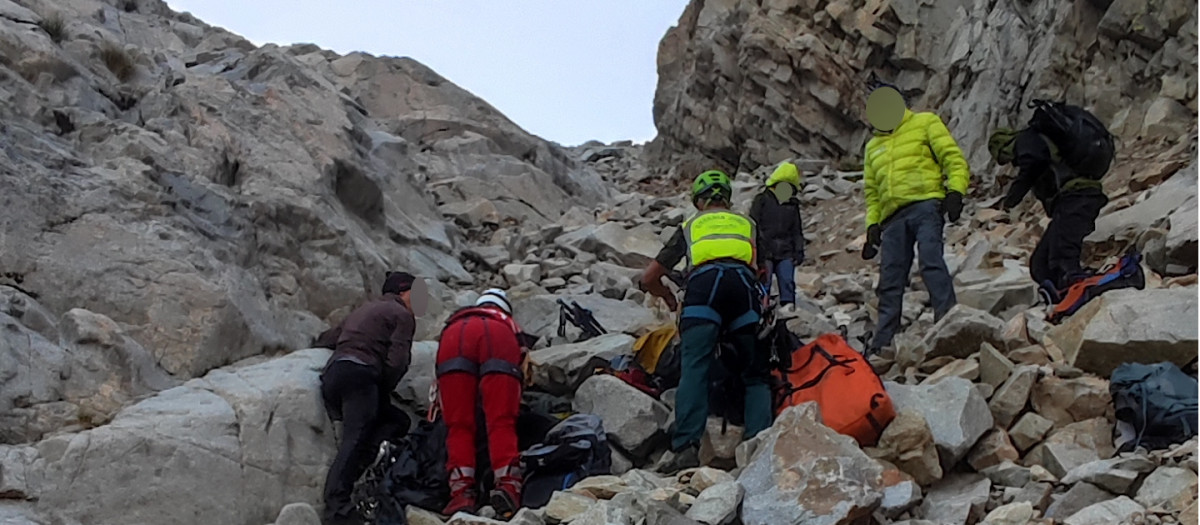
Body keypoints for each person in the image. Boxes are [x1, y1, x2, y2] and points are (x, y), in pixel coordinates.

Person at [639, 170, 773, 472]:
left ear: (699, 201)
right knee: (755, 375)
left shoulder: (689, 226)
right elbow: (762, 272)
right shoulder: (747, 224)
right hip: (743, 290)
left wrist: (670, 299)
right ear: (727, 198)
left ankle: (686, 447)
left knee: (694, 369)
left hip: (703, 290)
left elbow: (648, 278)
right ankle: (759, 448)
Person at [860, 83, 970, 356]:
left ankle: (946, 319)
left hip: (926, 205)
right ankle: (883, 342)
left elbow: (952, 158)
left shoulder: (925, 122)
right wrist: (871, 226)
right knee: (890, 278)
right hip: (892, 220)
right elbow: (872, 193)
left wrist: (956, 190)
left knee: (931, 260)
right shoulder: (872, 146)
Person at [320, 271, 418, 525]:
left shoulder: (365, 309)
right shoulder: (402, 315)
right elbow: (398, 362)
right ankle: (337, 509)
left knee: (397, 420)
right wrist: (381, 387)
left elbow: (329, 338)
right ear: (403, 292)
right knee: (354, 439)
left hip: (334, 374)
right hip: (361, 375)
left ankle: (364, 467)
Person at [436, 288, 529, 518]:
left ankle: (461, 493)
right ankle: (508, 485)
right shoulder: (507, 322)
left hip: (453, 337)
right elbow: (525, 362)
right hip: (498, 337)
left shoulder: (459, 318)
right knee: (501, 420)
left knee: (458, 425)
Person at [988, 127, 1108, 295]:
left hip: (1078, 196)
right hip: (1069, 201)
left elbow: (1032, 164)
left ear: (1003, 146)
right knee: (1040, 265)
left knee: (1064, 255)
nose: (1010, 161)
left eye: (1004, 156)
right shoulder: (1037, 141)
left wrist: (1010, 200)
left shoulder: (1027, 140)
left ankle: (1081, 290)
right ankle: (1062, 295)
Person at [749, 161, 806, 315]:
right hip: (765, 250)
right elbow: (752, 225)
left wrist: (799, 251)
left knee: (787, 282)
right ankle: (762, 308)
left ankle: (788, 309)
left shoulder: (792, 205)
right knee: (764, 282)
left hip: (785, 251)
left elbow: (797, 231)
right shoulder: (761, 200)